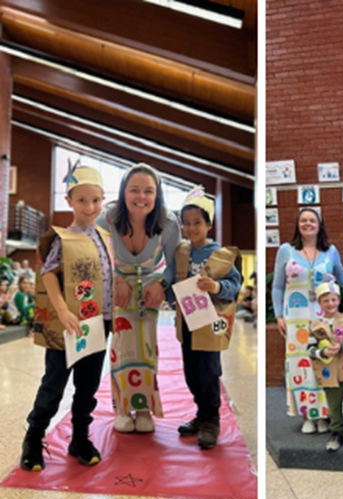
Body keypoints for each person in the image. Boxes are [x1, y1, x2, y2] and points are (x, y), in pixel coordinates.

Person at [20, 163, 114, 472]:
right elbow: (48, 273)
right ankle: (33, 439)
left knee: (87, 387)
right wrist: (61, 309)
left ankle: (80, 438)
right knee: (54, 384)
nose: (90, 207)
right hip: (68, 326)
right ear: (69, 201)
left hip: (98, 323)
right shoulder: (64, 237)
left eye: (96, 200)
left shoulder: (103, 236)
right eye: (83, 200)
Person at [97, 162, 181, 434]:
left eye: (148, 191)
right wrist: (116, 280)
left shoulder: (168, 222)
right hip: (117, 289)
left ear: (157, 195)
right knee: (120, 348)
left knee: (147, 348)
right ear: (123, 193)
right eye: (134, 190)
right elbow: (97, 257)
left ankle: (145, 409)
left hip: (149, 288)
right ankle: (122, 408)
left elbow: (172, 264)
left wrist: (161, 283)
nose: (141, 197)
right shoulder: (106, 219)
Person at [272, 208, 343, 433]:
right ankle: (307, 416)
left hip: (325, 317)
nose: (307, 223)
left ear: (320, 225)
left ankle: (326, 414)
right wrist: (279, 315)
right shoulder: (286, 251)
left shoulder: (330, 251)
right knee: (301, 364)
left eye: (312, 220)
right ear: (297, 224)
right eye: (303, 220)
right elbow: (278, 285)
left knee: (327, 360)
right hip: (296, 320)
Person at [173, 187, 242, 450]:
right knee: (190, 372)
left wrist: (215, 287)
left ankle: (212, 420)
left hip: (211, 322)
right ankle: (201, 415)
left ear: (209, 224)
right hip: (187, 321)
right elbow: (173, 282)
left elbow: (234, 285)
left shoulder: (220, 255)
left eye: (197, 223)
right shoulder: (182, 252)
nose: (191, 228)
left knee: (208, 371)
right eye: (186, 223)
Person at [308, 278, 343, 451]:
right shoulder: (315, 325)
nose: (330, 303)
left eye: (333, 299)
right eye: (325, 300)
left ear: (339, 300)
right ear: (320, 302)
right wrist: (322, 353)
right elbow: (310, 349)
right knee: (333, 405)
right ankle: (337, 432)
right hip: (329, 372)